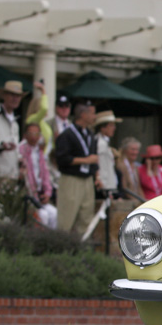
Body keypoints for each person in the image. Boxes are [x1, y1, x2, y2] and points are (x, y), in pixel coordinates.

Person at [54, 102, 99, 237]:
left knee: (86, 216)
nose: (94, 117)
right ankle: (61, 249)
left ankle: (81, 249)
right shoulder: (67, 135)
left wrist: (97, 176)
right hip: (71, 179)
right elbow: (62, 159)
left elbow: (94, 159)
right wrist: (86, 160)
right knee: (67, 216)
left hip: (87, 179)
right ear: (83, 115)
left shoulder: (90, 135)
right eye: (92, 113)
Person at [17, 122, 57, 229]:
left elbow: (45, 175)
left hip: (40, 194)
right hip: (28, 195)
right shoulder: (21, 149)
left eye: (36, 134)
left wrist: (48, 193)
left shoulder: (39, 152)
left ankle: (51, 242)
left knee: (54, 213)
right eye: (31, 133)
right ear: (25, 135)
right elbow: (24, 175)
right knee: (43, 216)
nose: (34, 137)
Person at [93, 110, 122, 196]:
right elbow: (100, 165)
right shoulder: (100, 143)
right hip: (105, 187)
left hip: (108, 185)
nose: (114, 128)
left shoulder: (104, 142)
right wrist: (103, 184)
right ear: (103, 127)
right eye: (111, 125)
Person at [115, 137, 144, 204]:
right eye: (132, 149)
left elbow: (139, 187)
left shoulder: (136, 167)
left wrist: (144, 201)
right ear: (125, 150)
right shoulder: (121, 165)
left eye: (137, 150)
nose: (135, 152)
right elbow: (124, 188)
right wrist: (136, 200)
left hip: (137, 200)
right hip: (127, 202)